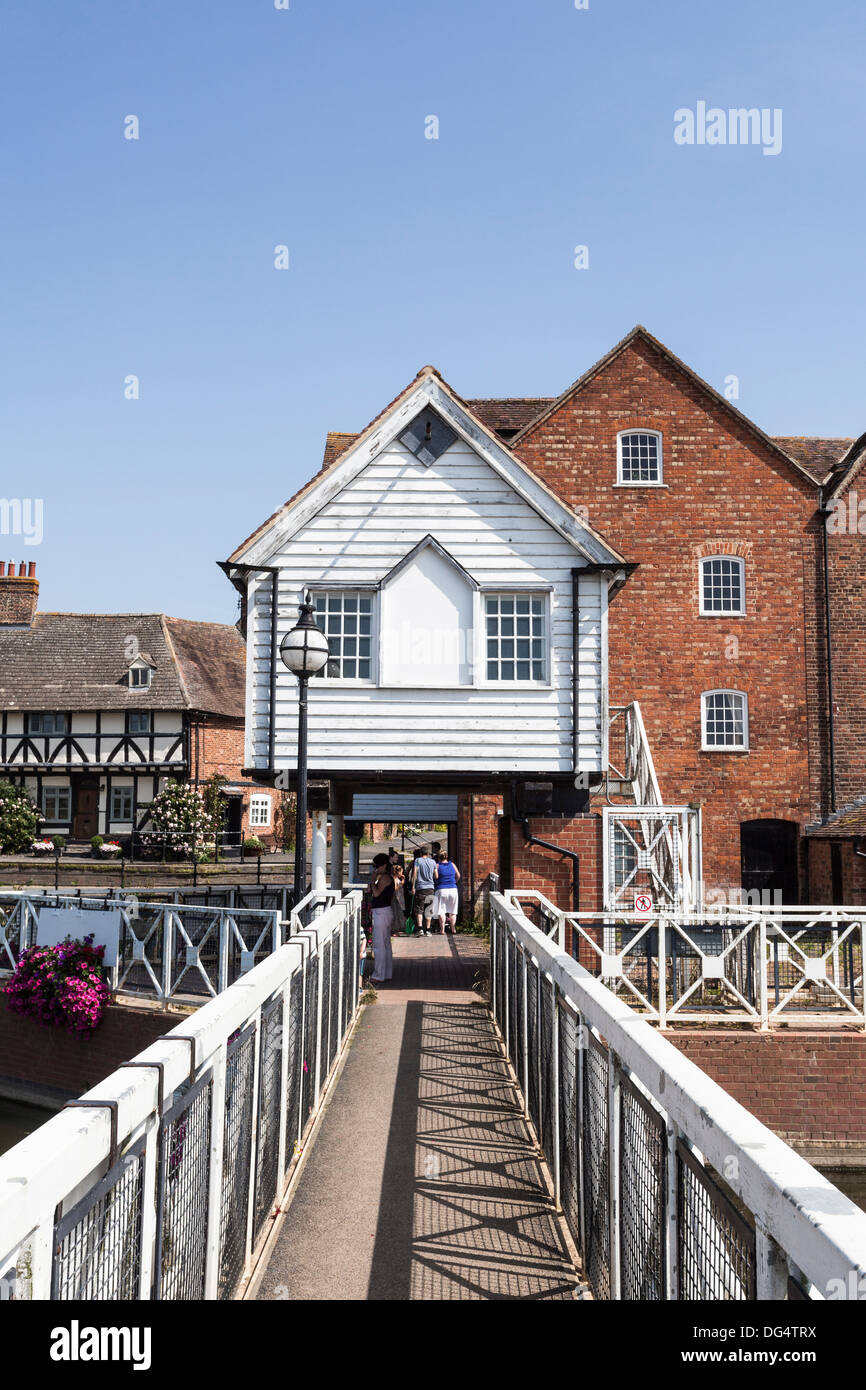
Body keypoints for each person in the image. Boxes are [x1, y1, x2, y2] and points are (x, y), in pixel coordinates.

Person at [369, 853, 394, 982]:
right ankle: (387, 972)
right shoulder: (386, 877)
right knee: (385, 944)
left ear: (383, 865)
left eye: (377, 866)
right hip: (384, 911)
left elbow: (377, 893)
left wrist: (373, 881)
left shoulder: (384, 878)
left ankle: (378, 974)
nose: (376, 869)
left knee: (379, 944)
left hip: (381, 912)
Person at [433, 852, 461, 934]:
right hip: (453, 889)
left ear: (439, 858)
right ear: (447, 857)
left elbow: (435, 876)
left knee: (441, 910)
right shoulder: (452, 864)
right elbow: (458, 875)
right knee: (452, 911)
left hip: (441, 889)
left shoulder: (437, 866)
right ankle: (453, 929)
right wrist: (454, 882)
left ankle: (442, 930)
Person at [411, 845, 436, 935]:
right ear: (428, 853)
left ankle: (420, 929)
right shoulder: (433, 862)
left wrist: (413, 886)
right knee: (429, 909)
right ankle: (428, 930)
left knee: (419, 909)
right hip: (430, 888)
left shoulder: (418, 860)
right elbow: (436, 875)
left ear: (421, 853)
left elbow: (415, 873)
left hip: (420, 888)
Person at [389, 848, 406, 934]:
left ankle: (397, 928)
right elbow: (395, 888)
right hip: (395, 898)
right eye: (395, 857)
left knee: (397, 913)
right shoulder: (394, 876)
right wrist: (401, 883)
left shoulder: (395, 875)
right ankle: (395, 929)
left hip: (397, 898)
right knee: (395, 913)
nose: (397, 859)